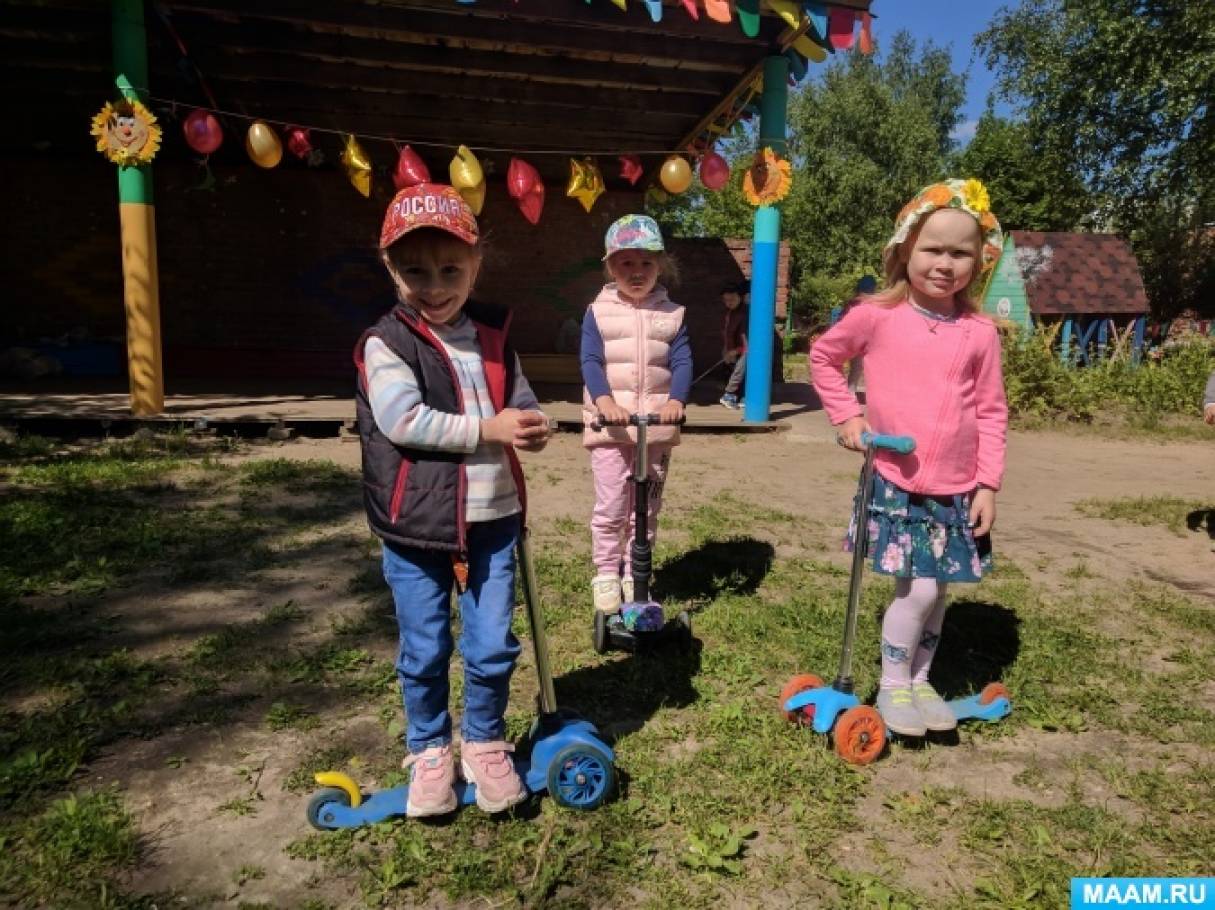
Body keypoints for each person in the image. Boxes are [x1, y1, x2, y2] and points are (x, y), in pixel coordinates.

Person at [354, 183, 551, 817]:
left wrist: (529, 423)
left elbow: (517, 400)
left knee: (492, 642)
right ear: (390, 269)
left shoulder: (493, 334)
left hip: (493, 520)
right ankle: (431, 747)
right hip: (416, 525)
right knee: (426, 645)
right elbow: (402, 420)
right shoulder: (386, 342)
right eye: (414, 270)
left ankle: (486, 741)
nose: (434, 285)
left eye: (450, 270)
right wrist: (487, 429)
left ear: (475, 265)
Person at [809, 179, 1008, 737]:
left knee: (938, 589)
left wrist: (987, 483)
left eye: (960, 253)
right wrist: (849, 417)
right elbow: (824, 357)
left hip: (956, 487)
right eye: (933, 249)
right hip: (898, 479)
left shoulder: (979, 333)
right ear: (905, 250)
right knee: (917, 587)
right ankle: (894, 686)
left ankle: (920, 681)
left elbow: (992, 411)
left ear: (979, 261)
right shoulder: (877, 316)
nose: (945, 263)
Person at [581, 214, 691, 615]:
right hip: (612, 428)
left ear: (658, 265)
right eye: (626, 263)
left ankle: (635, 569)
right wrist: (604, 401)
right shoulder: (598, 312)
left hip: (655, 430)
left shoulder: (672, 313)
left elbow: (681, 360)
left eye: (645, 262)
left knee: (646, 507)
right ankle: (607, 571)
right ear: (611, 266)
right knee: (612, 504)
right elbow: (591, 359)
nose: (637, 271)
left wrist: (675, 400)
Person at [844, 275, 878, 394]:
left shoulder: (852, 303)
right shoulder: (867, 304)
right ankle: (851, 393)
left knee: (857, 368)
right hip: (861, 342)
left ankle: (850, 392)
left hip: (857, 342)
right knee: (860, 368)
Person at [720, 281, 747, 409]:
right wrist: (726, 350)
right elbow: (726, 332)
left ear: (741, 297)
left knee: (742, 366)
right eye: (726, 300)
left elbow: (748, 343)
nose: (729, 303)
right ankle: (736, 395)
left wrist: (736, 351)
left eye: (732, 299)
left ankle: (729, 394)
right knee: (732, 369)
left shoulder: (746, 314)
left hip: (743, 351)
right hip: (733, 350)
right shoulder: (730, 313)